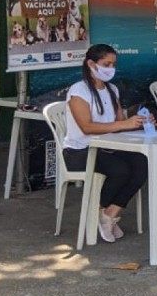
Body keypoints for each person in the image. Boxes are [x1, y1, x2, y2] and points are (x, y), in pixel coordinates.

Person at [62, 44, 149, 243]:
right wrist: (122, 123)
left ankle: (109, 213)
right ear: (91, 64)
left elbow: (119, 121)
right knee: (120, 170)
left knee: (141, 163)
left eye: (113, 64)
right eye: (106, 64)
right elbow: (87, 127)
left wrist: (139, 121)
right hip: (80, 151)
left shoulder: (112, 89)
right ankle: (98, 211)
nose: (110, 68)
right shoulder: (79, 91)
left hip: (107, 147)